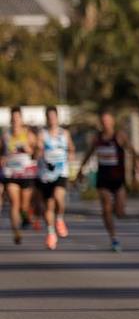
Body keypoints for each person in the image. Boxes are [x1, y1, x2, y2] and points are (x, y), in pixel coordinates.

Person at [78, 110, 130, 252]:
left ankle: (115, 209)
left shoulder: (119, 136)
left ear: (113, 121)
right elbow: (89, 154)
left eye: (108, 120)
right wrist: (80, 170)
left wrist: (137, 167)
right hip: (103, 178)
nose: (105, 123)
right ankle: (113, 238)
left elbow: (131, 150)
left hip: (118, 178)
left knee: (120, 212)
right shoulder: (97, 138)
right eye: (103, 121)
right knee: (106, 208)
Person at [37, 106, 73, 250]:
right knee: (49, 205)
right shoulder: (42, 134)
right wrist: (38, 151)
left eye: (54, 117)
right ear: (47, 118)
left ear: (57, 118)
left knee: (59, 197)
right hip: (46, 174)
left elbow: (71, 148)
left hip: (61, 171)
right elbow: (38, 149)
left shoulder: (64, 133)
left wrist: (70, 154)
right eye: (49, 117)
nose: (52, 119)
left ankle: (59, 219)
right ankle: (51, 233)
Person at [3, 107, 39, 245]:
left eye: (17, 118)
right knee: (14, 203)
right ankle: (16, 232)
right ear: (11, 119)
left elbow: (36, 153)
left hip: (26, 174)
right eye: (13, 118)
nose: (15, 121)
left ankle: (25, 215)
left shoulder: (28, 134)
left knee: (23, 206)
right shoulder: (6, 136)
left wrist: (29, 149)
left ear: (21, 119)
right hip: (11, 173)